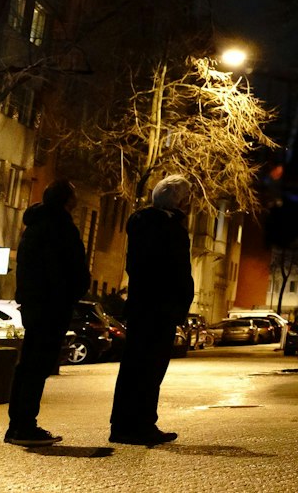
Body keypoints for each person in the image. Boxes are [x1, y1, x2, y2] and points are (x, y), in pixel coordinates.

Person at [108, 173, 195, 446]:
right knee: (149, 369)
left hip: (144, 307)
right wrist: (178, 304)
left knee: (135, 367)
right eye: (188, 198)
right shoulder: (169, 230)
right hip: (160, 309)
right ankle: (140, 425)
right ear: (179, 202)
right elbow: (176, 271)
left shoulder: (143, 224)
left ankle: (126, 424)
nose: (191, 204)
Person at [4, 179, 90, 446]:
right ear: (67, 201)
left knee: (27, 364)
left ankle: (17, 424)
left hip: (33, 304)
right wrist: (71, 293)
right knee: (38, 366)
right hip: (52, 306)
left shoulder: (34, 226)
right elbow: (69, 270)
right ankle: (25, 426)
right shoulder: (61, 228)